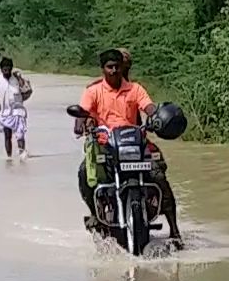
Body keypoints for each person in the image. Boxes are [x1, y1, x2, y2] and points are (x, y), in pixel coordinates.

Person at [75, 48, 181, 243]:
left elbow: (148, 108)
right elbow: (83, 111)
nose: (115, 71)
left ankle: (174, 230)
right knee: (84, 172)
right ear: (103, 69)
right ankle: (95, 215)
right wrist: (82, 123)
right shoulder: (93, 90)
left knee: (159, 173)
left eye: (120, 66)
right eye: (110, 67)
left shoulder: (135, 89)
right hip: (105, 144)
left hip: (134, 141)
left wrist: (158, 116)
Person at [0, 57, 32, 159]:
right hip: (5, 112)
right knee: (7, 135)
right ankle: (9, 157)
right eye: (5, 69)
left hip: (18, 110)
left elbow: (27, 90)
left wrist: (20, 78)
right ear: (1, 69)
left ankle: (22, 153)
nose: (7, 71)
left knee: (20, 133)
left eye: (9, 69)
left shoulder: (16, 79)